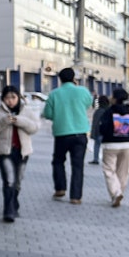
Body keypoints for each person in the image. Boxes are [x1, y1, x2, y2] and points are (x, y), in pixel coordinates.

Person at [0, 85, 39, 222]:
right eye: (7, 98)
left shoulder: (26, 111)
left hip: (22, 151)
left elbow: (35, 127)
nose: (10, 101)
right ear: (3, 99)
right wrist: (4, 121)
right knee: (9, 180)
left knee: (18, 181)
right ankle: (8, 211)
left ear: (18, 97)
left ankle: (14, 203)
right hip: (4, 152)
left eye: (13, 97)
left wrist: (20, 121)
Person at [41, 66, 93, 204]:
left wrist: (59, 115)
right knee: (78, 166)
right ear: (74, 78)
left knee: (58, 161)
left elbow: (48, 114)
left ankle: (60, 188)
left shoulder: (54, 94)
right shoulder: (83, 91)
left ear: (60, 79)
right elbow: (89, 104)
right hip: (80, 133)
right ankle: (75, 197)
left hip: (62, 133)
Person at [99, 87, 129, 207]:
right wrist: (128, 138)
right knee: (123, 171)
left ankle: (116, 193)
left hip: (110, 145)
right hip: (126, 145)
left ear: (114, 98)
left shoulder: (109, 112)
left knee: (109, 169)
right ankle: (119, 193)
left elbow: (103, 127)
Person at [89, 95, 110, 164]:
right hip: (108, 133)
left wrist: (93, 134)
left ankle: (96, 159)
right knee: (107, 147)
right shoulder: (109, 110)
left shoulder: (98, 111)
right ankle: (107, 160)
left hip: (99, 132)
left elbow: (95, 123)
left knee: (97, 145)